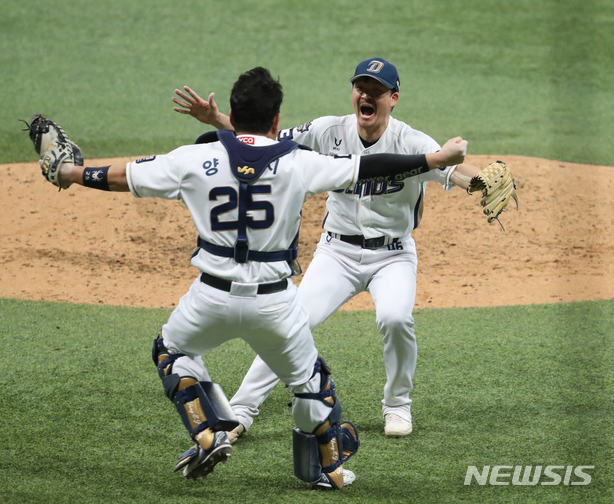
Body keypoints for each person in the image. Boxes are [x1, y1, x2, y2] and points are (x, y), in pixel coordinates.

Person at [38, 67, 468, 488]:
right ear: (277, 120)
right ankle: (326, 470)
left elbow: (123, 177)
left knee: (171, 352)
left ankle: (208, 428)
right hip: (274, 304)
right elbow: (367, 168)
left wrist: (70, 173)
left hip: (208, 298)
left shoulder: (194, 157)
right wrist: (435, 160)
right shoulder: (301, 163)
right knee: (314, 388)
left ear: (231, 111)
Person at [172, 57, 486, 440]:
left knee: (395, 318)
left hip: (393, 255)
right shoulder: (327, 130)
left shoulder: (413, 142)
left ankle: (397, 405)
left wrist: (484, 181)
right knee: (291, 324)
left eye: (376, 91)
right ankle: (241, 409)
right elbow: (270, 140)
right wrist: (221, 121)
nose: (365, 95)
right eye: (360, 88)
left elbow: (452, 169)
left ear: (394, 98)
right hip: (336, 253)